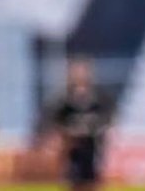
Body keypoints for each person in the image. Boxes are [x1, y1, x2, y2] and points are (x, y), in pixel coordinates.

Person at [44, 58, 110, 191]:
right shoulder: (65, 101)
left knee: (92, 182)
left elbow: (106, 123)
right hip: (72, 152)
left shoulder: (98, 99)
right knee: (73, 182)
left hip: (91, 150)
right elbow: (56, 125)